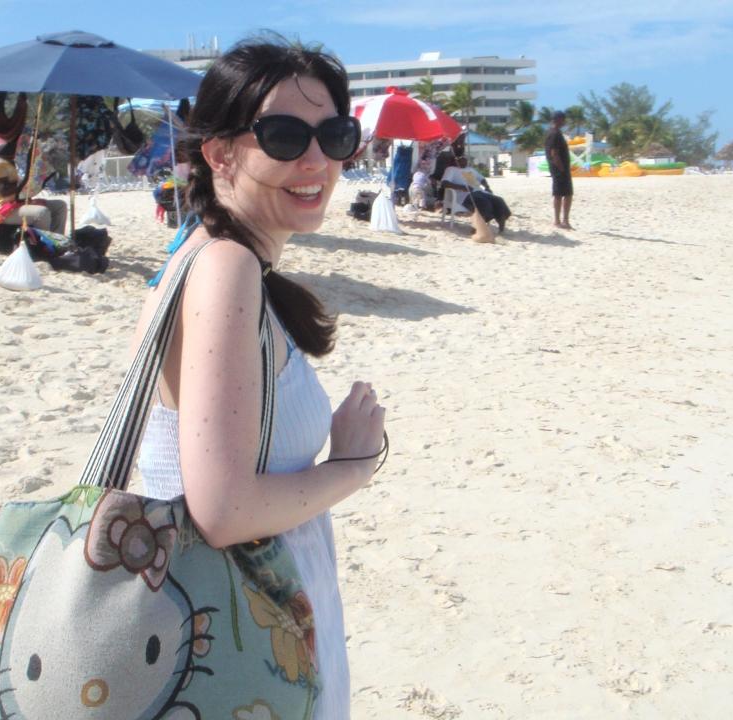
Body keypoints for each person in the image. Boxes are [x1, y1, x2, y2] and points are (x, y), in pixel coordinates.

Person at [131, 37, 386, 719]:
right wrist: (354, 465)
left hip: (238, 625)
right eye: (282, 135)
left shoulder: (207, 256)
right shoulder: (225, 269)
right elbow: (223, 511)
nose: (316, 161)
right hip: (236, 636)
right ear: (219, 152)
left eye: (335, 135)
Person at [0, 136, 67, 237]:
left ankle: (57, 241)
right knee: (41, 213)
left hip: (16, 202)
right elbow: (6, 193)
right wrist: (30, 186)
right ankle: (42, 247)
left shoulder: (11, 161)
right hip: (1, 208)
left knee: (59, 206)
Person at [440, 156, 511, 243]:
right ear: (456, 160)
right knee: (484, 203)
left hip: (479, 191)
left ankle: (501, 226)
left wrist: (487, 187)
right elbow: (444, 183)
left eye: (465, 159)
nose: (464, 161)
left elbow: (482, 178)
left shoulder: (470, 169)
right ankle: (478, 227)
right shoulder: (451, 169)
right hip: (464, 194)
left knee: (499, 200)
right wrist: (461, 187)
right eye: (461, 159)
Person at [545, 110, 574, 229]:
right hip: (559, 169)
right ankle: (562, 221)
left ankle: (559, 220)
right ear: (557, 120)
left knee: (560, 194)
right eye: (563, 119)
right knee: (566, 194)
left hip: (557, 169)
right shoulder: (555, 134)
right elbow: (554, 153)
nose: (564, 121)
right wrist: (562, 168)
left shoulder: (552, 133)